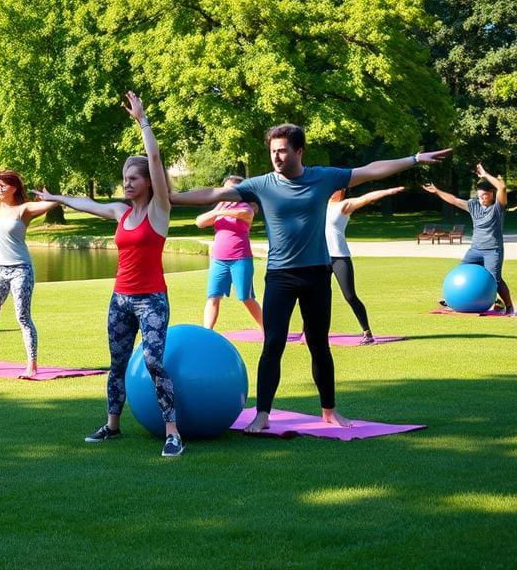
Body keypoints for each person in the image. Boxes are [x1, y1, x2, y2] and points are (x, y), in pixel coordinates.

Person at [172, 124, 451, 434]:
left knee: (319, 345)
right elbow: (213, 193)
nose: (276, 157)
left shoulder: (323, 177)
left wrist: (413, 158)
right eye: (272, 151)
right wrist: (171, 197)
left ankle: (329, 411)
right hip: (280, 276)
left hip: (317, 274)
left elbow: (370, 170)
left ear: (299, 151)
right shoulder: (261, 184)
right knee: (273, 344)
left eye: (282, 150)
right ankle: (262, 414)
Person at [34, 91, 184, 457]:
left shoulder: (159, 210)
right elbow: (90, 205)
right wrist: (58, 198)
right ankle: (113, 425)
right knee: (116, 363)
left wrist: (142, 122)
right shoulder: (121, 212)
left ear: (149, 182)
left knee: (152, 361)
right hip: (120, 299)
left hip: (151, 300)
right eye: (124, 178)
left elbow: (153, 156)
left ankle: (172, 432)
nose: (127, 183)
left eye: (134, 178)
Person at [0, 136, 57, 378]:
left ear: (14, 186)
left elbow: (51, 205)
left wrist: (50, 198)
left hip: (20, 270)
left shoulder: (23, 210)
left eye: (3, 184)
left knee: (22, 316)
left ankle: (32, 364)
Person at [424, 164, 513, 315]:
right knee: (461, 271)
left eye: (484, 194)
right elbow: (453, 200)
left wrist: (485, 174)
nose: (481, 197)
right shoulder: (473, 206)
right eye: (479, 195)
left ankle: (509, 306)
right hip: (476, 249)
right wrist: (437, 191)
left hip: (493, 249)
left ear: (492, 194)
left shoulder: (498, 208)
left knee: (494, 279)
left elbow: (502, 188)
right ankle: (455, 299)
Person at [325, 186, 404, 343]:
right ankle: (311, 331)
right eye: (334, 188)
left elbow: (367, 198)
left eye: (339, 189)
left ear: (343, 192)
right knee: (318, 297)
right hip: (320, 258)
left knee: (350, 296)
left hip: (340, 257)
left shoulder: (345, 205)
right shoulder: (319, 204)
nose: (335, 191)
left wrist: (387, 191)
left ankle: (367, 332)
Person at [195, 175, 263, 332]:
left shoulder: (247, 207)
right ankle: (207, 333)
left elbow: (243, 214)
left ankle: (267, 330)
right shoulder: (221, 207)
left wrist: (222, 211)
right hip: (218, 260)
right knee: (213, 297)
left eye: (229, 189)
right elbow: (199, 222)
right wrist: (218, 211)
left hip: (240, 259)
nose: (225, 192)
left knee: (246, 297)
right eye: (224, 189)